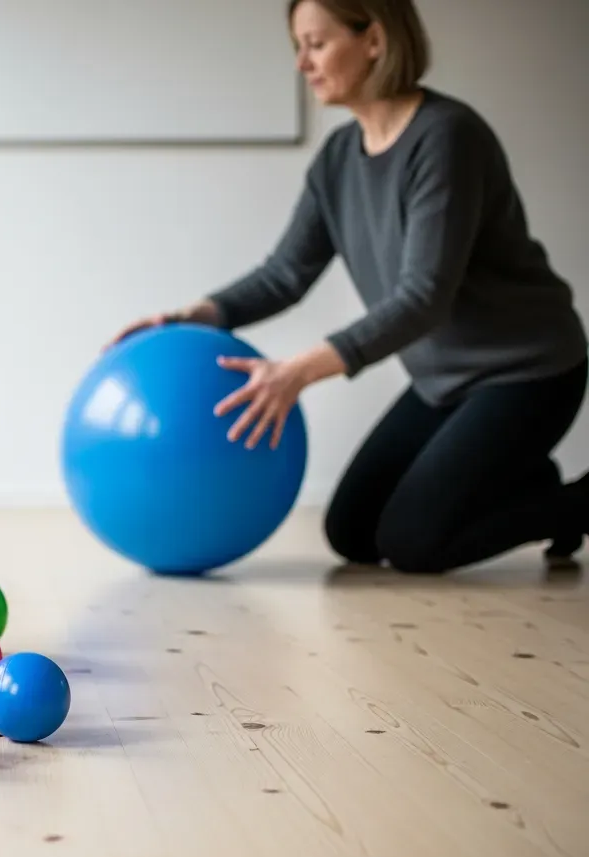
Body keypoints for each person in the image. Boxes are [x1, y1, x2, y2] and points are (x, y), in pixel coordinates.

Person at [110, 0, 588, 574]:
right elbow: (286, 273)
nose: (302, 64)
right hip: (444, 383)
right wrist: (191, 317)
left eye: (316, 43)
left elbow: (423, 297)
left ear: (375, 40)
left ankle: (574, 504)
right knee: (353, 532)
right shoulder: (338, 158)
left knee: (414, 542)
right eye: (298, 47)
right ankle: (523, 477)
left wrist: (297, 372)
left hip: (527, 370)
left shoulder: (446, 138)